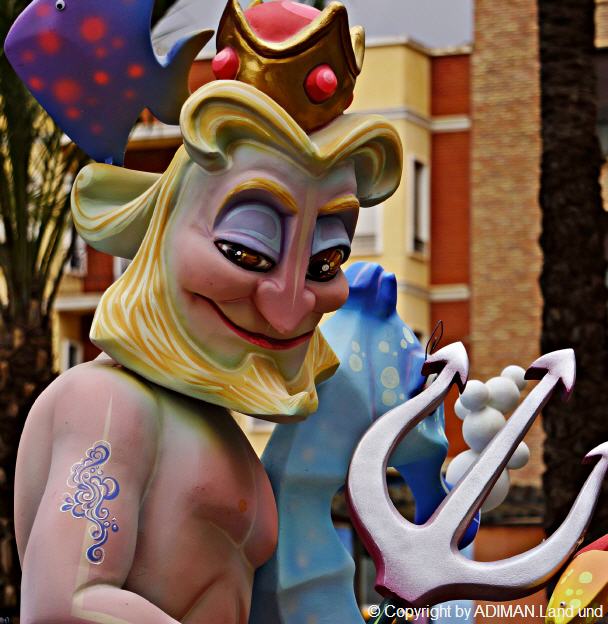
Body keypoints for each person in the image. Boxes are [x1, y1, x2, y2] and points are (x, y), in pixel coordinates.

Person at [14, 2, 403, 620]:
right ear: (163, 224)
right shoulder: (108, 405)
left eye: (325, 262)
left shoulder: (225, 434)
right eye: (246, 249)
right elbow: (66, 603)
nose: (288, 308)